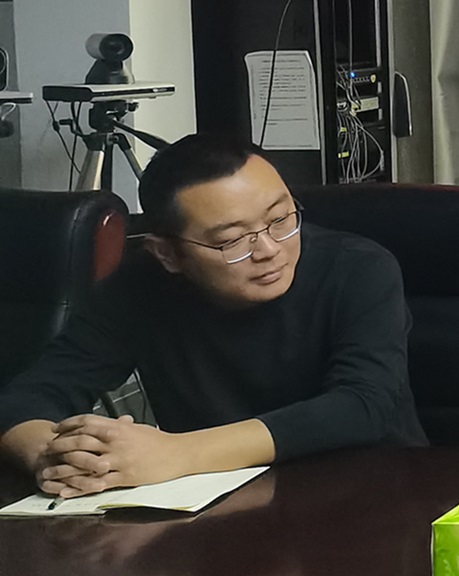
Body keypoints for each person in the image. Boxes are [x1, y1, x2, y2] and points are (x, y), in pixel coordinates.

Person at [0, 131, 426, 498]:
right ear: (167, 254)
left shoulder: (358, 268)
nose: (269, 249)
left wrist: (177, 453)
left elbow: (362, 405)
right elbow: (29, 397)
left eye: (280, 218)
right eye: (232, 240)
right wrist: (56, 459)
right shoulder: (138, 286)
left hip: (366, 497)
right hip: (211, 508)